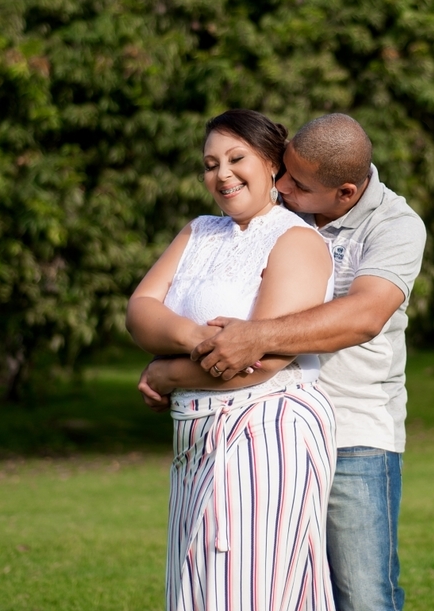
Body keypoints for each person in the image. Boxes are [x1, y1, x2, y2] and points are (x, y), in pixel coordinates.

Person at [141, 113, 427, 611]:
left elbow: (363, 317)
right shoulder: (281, 212)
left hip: (356, 429)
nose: (284, 185)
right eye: (285, 171)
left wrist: (252, 339)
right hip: (269, 421)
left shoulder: (394, 226)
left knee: (362, 594)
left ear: (344, 192)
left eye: (298, 183)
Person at [126, 110, 337, 611]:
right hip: (197, 438)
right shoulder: (198, 231)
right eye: (210, 164)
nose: (222, 174)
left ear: (271, 163)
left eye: (236, 158)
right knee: (198, 592)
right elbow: (140, 311)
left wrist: (164, 373)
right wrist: (198, 338)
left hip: (267, 431)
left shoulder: (296, 240)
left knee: (245, 593)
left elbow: (258, 364)